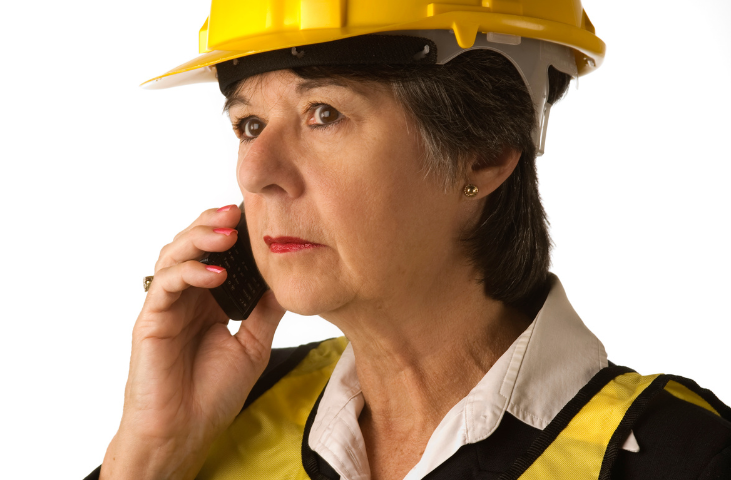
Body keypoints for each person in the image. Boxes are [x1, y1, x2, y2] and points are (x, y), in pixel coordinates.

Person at [86, 1, 731, 479]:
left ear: (484, 149)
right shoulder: (227, 407)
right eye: (250, 124)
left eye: (324, 114)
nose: (255, 173)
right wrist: (149, 456)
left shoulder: (680, 459)